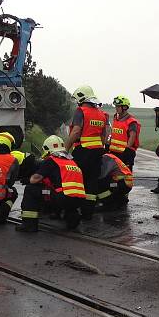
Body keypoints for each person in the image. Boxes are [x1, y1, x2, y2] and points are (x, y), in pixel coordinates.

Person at [17, 135, 86, 232]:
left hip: (62, 198)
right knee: (59, 193)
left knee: (30, 189)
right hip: (79, 200)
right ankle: (72, 217)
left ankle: (29, 224)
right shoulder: (72, 162)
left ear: (47, 149)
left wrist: (28, 180)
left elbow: (35, 179)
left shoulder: (51, 160)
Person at [66, 85, 108, 220]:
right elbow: (104, 134)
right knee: (92, 181)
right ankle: (88, 212)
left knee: (78, 180)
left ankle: (73, 210)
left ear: (81, 97)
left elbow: (76, 131)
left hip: (83, 151)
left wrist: (65, 149)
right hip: (97, 152)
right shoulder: (102, 114)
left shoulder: (81, 111)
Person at [109, 95, 141, 170]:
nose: (116, 108)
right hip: (114, 153)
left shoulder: (131, 122)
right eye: (116, 106)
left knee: (125, 178)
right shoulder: (115, 119)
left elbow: (132, 137)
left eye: (118, 106)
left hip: (125, 153)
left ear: (125, 107)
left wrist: (127, 150)